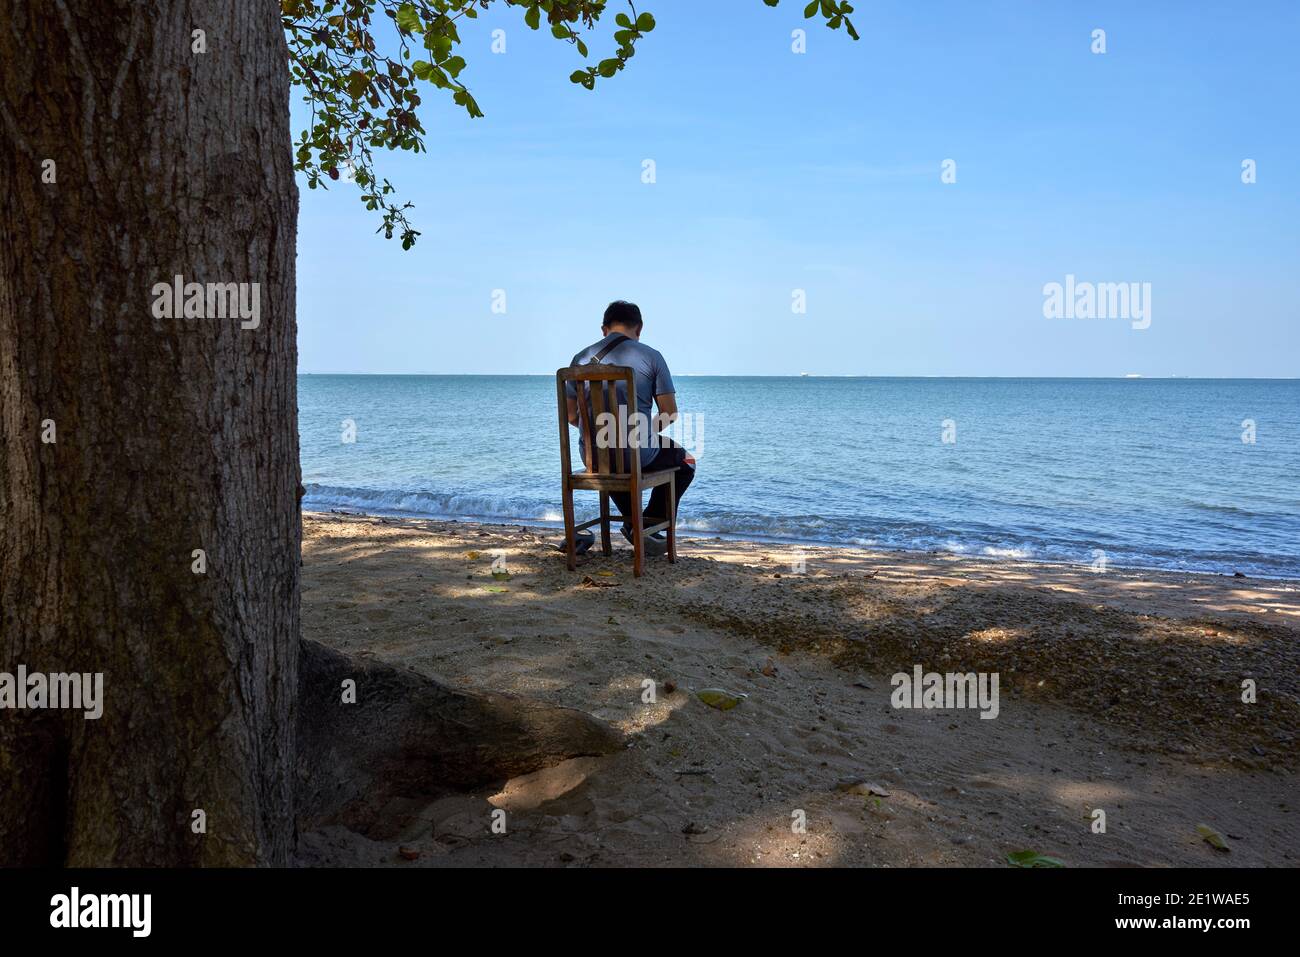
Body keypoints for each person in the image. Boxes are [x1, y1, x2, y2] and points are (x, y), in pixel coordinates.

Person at [564, 300, 694, 556]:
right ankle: (646, 525)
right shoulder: (652, 356)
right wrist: (641, 432)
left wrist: (600, 434)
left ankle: (632, 521)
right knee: (686, 461)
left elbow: (571, 417)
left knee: (611, 457)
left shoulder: (579, 359)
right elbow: (670, 413)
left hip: (592, 457)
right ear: (640, 328)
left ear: (604, 329)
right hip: (635, 452)